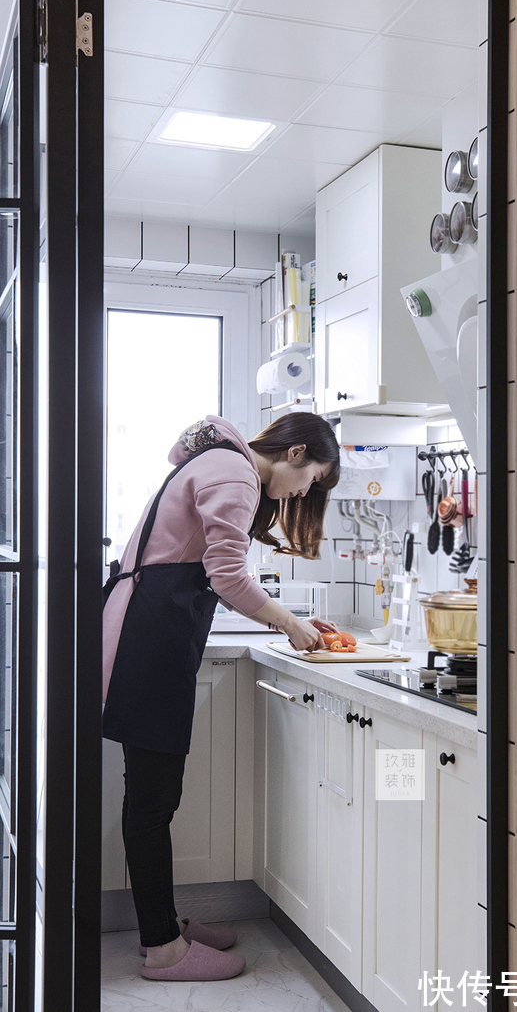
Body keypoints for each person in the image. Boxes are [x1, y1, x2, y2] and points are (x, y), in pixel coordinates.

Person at [102, 412, 340, 982]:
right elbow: (228, 575)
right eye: (310, 480)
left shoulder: (218, 462)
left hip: (148, 631)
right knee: (153, 800)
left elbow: (219, 574)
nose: (302, 493)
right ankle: (163, 949)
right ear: (295, 452)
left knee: (154, 797)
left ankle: (164, 926)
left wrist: (288, 618)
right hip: (150, 637)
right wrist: (289, 623)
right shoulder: (235, 473)